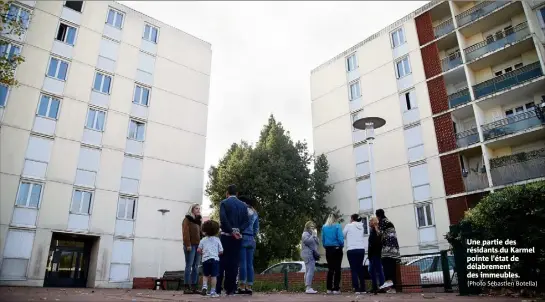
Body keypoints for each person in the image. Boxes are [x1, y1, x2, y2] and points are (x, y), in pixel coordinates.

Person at [216, 185, 250, 296]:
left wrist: (230, 231)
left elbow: (223, 218)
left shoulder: (224, 203)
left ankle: (217, 288)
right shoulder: (243, 206)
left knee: (221, 262)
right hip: (238, 237)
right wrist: (238, 230)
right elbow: (246, 222)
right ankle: (231, 289)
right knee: (234, 263)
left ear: (227, 193)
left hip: (226, 236)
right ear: (237, 193)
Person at [237, 196, 259, 295]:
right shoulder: (255, 212)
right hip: (251, 239)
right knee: (250, 264)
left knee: (242, 263)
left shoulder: (242, 211)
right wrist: (253, 236)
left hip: (242, 237)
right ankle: (249, 287)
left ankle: (241, 287)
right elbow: (256, 228)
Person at [376, 209, 400, 294]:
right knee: (392, 268)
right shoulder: (389, 221)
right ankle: (392, 288)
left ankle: (388, 286)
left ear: (377, 216)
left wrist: (376, 227)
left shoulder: (382, 222)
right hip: (395, 249)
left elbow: (380, 234)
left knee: (387, 268)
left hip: (387, 249)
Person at [198, 220, 223, 297]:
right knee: (214, 276)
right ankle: (212, 292)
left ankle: (204, 287)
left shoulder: (203, 240)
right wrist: (216, 254)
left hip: (205, 260)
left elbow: (198, 250)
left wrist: (203, 254)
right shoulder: (217, 239)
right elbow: (221, 251)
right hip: (215, 259)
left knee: (205, 275)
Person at [343, 213, 367, 294]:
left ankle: (356, 288)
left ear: (352, 219)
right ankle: (363, 288)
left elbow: (343, 235)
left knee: (353, 269)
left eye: (351, 218)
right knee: (360, 268)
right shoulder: (362, 227)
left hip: (352, 249)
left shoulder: (348, 226)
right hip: (361, 249)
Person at [182, 203, 202, 294]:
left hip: (198, 246)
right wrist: (188, 244)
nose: (198, 210)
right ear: (192, 210)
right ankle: (186, 287)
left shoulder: (198, 221)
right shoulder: (187, 219)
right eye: (196, 208)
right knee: (189, 266)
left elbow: (201, 234)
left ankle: (194, 287)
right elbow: (185, 233)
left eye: (199, 208)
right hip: (190, 245)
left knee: (196, 266)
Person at [321, 213, 344, 294]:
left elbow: (323, 239)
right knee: (337, 269)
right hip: (337, 249)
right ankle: (336, 289)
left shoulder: (324, 227)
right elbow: (340, 238)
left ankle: (329, 288)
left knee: (330, 269)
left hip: (328, 249)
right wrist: (341, 245)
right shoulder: (337, 226)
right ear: (335, 218)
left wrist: (326, 246)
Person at [301, 221, 320, 294]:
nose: (313, 228)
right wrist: (312, 235)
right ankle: (308, 287)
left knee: (308, 270)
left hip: (310, 254)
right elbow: (307, 242)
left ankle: (307, 287)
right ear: (308, 227)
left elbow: (317, 242)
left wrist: (315, 235)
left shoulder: (310, 234)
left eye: (313, 227)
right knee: (310, 270)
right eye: (311, 226)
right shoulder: (305, 234)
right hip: (308, 254)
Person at [368, 216, 385, 294]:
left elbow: (375, 243)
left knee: (375, 270)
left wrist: (371, 252)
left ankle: (378, 287)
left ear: (373, 222)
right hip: (375, 254)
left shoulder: (375, 231)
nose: (368, 222)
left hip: (375, 254)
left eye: (370, 221)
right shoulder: (374, 230)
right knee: (375, 270)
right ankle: (378, 286)